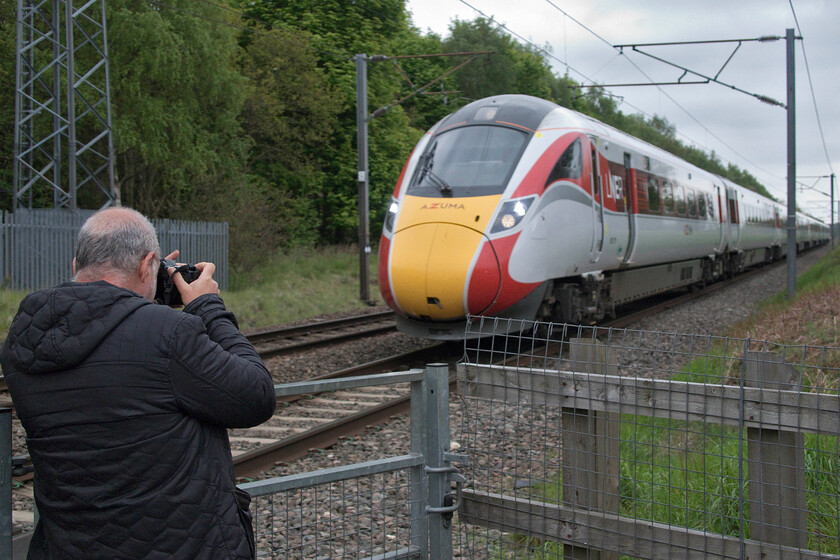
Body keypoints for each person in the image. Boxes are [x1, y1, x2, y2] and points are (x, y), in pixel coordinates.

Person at [0, 207, 276, 559]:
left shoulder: (22, 342)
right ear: (148, 264)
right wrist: (208, 307)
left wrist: (148, 301)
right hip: (178, 547)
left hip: (68, 546)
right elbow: (256, 395)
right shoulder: (167, 334)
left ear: (75, 266)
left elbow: (113, 347)